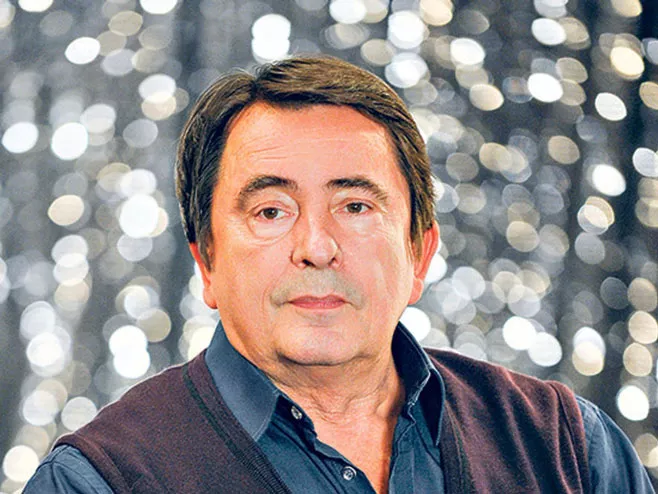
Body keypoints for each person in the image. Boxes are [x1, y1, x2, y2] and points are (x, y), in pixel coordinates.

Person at [25, 55, 653, 493]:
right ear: (206, 263)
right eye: (271, 211)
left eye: (355, 207)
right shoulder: (98, 480)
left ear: (419, 255)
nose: (317, 247)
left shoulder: (572, 448)